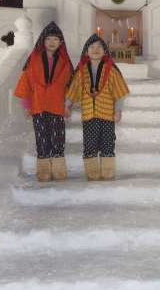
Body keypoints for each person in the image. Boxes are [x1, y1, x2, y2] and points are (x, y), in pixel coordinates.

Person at [14, 22, 73, 182]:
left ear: (61, 42)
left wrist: (67, 105)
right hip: (38, 106)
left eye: (56, 39)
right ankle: (44, 171)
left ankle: (59, 169)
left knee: (58, 138)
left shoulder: (65, 63)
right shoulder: (32, 61)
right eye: (48, 39)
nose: (52, 42)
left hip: (57, 106)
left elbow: (70, 86)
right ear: (42, 41)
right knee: (42, 138)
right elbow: (26, 83)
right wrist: (27, 106)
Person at [66, 34, 129, 181]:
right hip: (89, 115)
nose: (96, 49)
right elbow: (74, 90)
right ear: (86, 51)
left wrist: (118, 110)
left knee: (108, 144)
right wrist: (66, 106)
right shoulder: (81, 71)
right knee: (90, 144)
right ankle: (92, 172)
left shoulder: (111, 70)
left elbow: (119, 92)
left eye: (99, 47)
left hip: (107, 114)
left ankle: (107, 171)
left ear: (105, 51)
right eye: (92, 47)